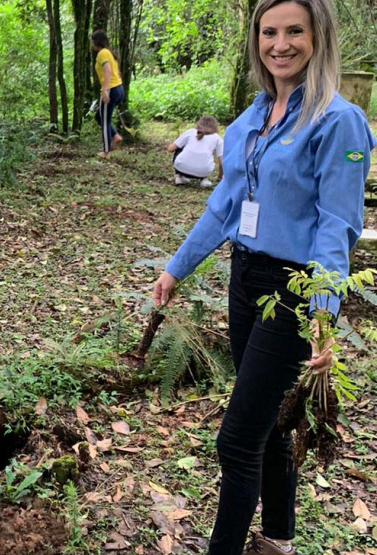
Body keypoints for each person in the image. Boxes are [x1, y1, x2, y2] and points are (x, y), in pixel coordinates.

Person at [152, 0, 375, 552]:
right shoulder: (251, 117)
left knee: (236, 440)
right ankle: (278, 541)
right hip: (245, 277)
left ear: (318, 36)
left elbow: (338, 225)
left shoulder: (338, 120)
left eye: (294, 31)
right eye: (268, 32)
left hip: (294, 289)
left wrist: (324, 313)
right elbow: (225, 207)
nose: (280, 44)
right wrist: (176, 268)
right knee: (272, 423)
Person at [92, 29, 124, 158]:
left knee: (105, 120)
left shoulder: (102, 53)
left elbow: (108, 71)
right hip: (118, 88)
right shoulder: (109, 53)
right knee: (99, 116)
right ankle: (115, 136)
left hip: (111, 89)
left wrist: (105, 90)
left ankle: (106, 152)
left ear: (96, 41)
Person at [167, 115, 224, 187]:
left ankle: (179, 177)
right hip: (203, 172)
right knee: (207, 154)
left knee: (179, 147)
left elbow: (170, 149)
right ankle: (204, 180)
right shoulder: (217, 138)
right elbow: (222, 162)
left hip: (181, 168)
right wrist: (220, 177)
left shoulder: (190, 132)